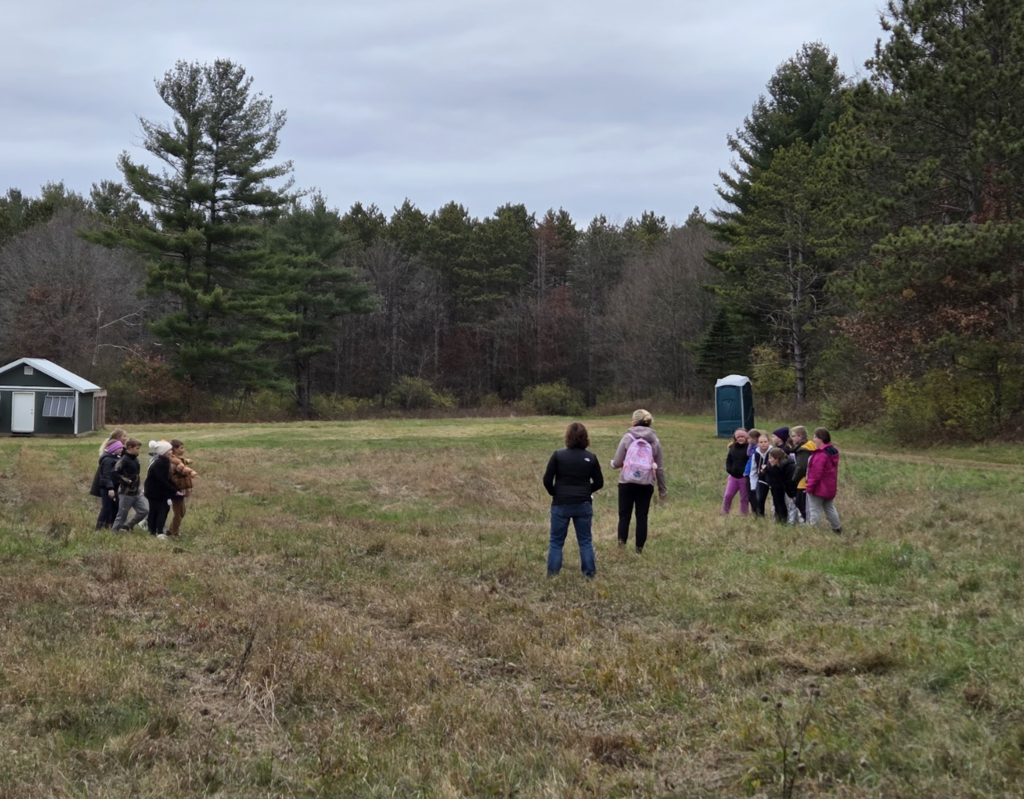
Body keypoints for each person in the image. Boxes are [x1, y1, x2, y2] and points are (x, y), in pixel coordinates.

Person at [543, 422, 604, 578]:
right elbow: (599, 483)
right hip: (583, 503)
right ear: (586, 438)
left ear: (567, 437)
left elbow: (547, 480)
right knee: (585, 541)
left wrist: (554, 492)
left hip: (561, 503)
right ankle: (589, 574)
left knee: (556, 542)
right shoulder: (591, 457)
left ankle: (553, 574)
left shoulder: (558, 455)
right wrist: (585, 491)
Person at [610, 409, 668, 553]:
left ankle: (621, 547)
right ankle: (639, 549)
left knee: (624, 516)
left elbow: (617, 462)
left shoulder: (627, 437)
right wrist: (662, 490)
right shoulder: (654, 440)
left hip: (626, 482)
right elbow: (659, 468)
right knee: (642, 516)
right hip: (646, 483)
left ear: (634, 421)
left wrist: (612, 464)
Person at [805, 428, 842, 534]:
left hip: (818, 487)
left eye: (815, 437)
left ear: (821, 439)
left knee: (814, 509)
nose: (814, 440)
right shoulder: (832, 452)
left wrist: (810, 486)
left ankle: (814, 531)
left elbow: (815, 473)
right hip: (829, 487)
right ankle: (837, 528)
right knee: (829, 507)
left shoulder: (820, 454)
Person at [111, 438, 149, 532]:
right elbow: (113, 473)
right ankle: (114, 533)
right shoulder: (124, 460)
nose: (138, 450)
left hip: (136, 492)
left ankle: (128, 526)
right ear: (129, 448)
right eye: (137, 448)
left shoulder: (135, 459)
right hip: (126, 493)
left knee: (144, 510)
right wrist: (126, 481)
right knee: (122, 516)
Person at [144, 440, 180, 539]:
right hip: (155, 492)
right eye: (169, 450)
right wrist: (174, 490)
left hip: (153, 491)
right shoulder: (160, 463)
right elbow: (162, 479)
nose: (171, 452)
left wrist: (174, 488)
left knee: (155, 510)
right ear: (163, 452)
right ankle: (159, 531)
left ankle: (152, 530)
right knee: (162, 510)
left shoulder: (162, 461)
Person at [166, 439, 198, 537]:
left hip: (181, 490)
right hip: (177, 489)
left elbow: (182, 462)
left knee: (181, 512)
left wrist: (187, 461)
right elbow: (181, 468)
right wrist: (191, 472)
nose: (183, 450)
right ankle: (174, 533)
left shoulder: (177, 458)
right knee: (179, 513)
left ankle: (171, 530)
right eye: (181, 448)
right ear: (174, 449)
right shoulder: (173, 460)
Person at [90, 439, 124, 530]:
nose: (122, 449)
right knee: (106, 508)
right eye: (120, 448)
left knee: (114, 507)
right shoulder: (108, 460)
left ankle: (110, 526)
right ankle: (98, 527)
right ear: (114, 448)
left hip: (112, 487)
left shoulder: (114, 457)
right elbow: (106, 475)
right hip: (106, 488)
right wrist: (110, 488)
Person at [791, 426, 817, 524]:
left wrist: (794, 478)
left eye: (793, 436)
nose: (792, 438)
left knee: (801, 503)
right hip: (809, 480)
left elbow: (801, 467)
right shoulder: (811, 446)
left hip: (803, 482)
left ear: (800, 436)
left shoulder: (803, 450)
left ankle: (807, 523)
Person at [722, 428, 750, 515]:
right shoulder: (732, 448)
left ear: (746, 437)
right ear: (735, 438)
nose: (740, 438)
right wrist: (729, 469)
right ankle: (724, 511)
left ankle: (744, 513)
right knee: (728, 495)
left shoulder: (749, 449)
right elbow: (728, 459)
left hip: (744, 478)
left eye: (742, 436)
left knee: (744, 497)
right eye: (738, 437)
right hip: (733, 477)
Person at [765, 446, 796, 523]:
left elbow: (790, 480)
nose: (769, 460)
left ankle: (791, 522)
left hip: (788, 489)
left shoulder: (789, 466)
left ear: (777, 459)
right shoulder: (771, 465)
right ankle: (780, 521)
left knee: (790, 506)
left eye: (771, 458)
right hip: (776, 487)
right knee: (778, 504)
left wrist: (790, 492)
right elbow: (771, 476)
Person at [748, 432, 771, 517]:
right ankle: (760, 516)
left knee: (776, 500)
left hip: (773, 479)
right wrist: (753, 486)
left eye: (765, 442)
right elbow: (753, 471)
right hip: (762, 479)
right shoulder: (755, 455)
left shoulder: (773, 452)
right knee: (760, 499)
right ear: (757, 444)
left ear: (769, 442)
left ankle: (778, 517)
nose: (763, 444)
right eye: (761, 442)